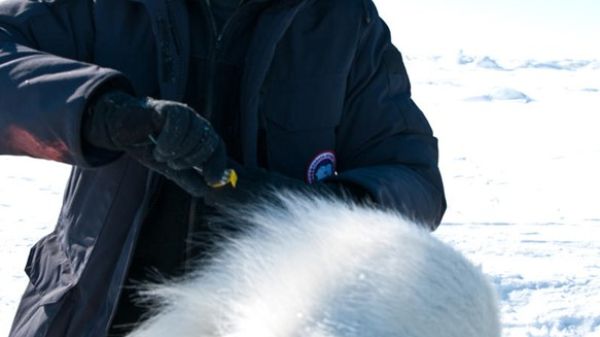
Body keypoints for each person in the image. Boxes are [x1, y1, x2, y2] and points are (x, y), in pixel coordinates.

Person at [0, 0, 446, 336]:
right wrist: (106, 113)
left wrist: (314, 206)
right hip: (89, 312)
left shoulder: (344, 21)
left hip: (267, 318)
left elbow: (412, 176)